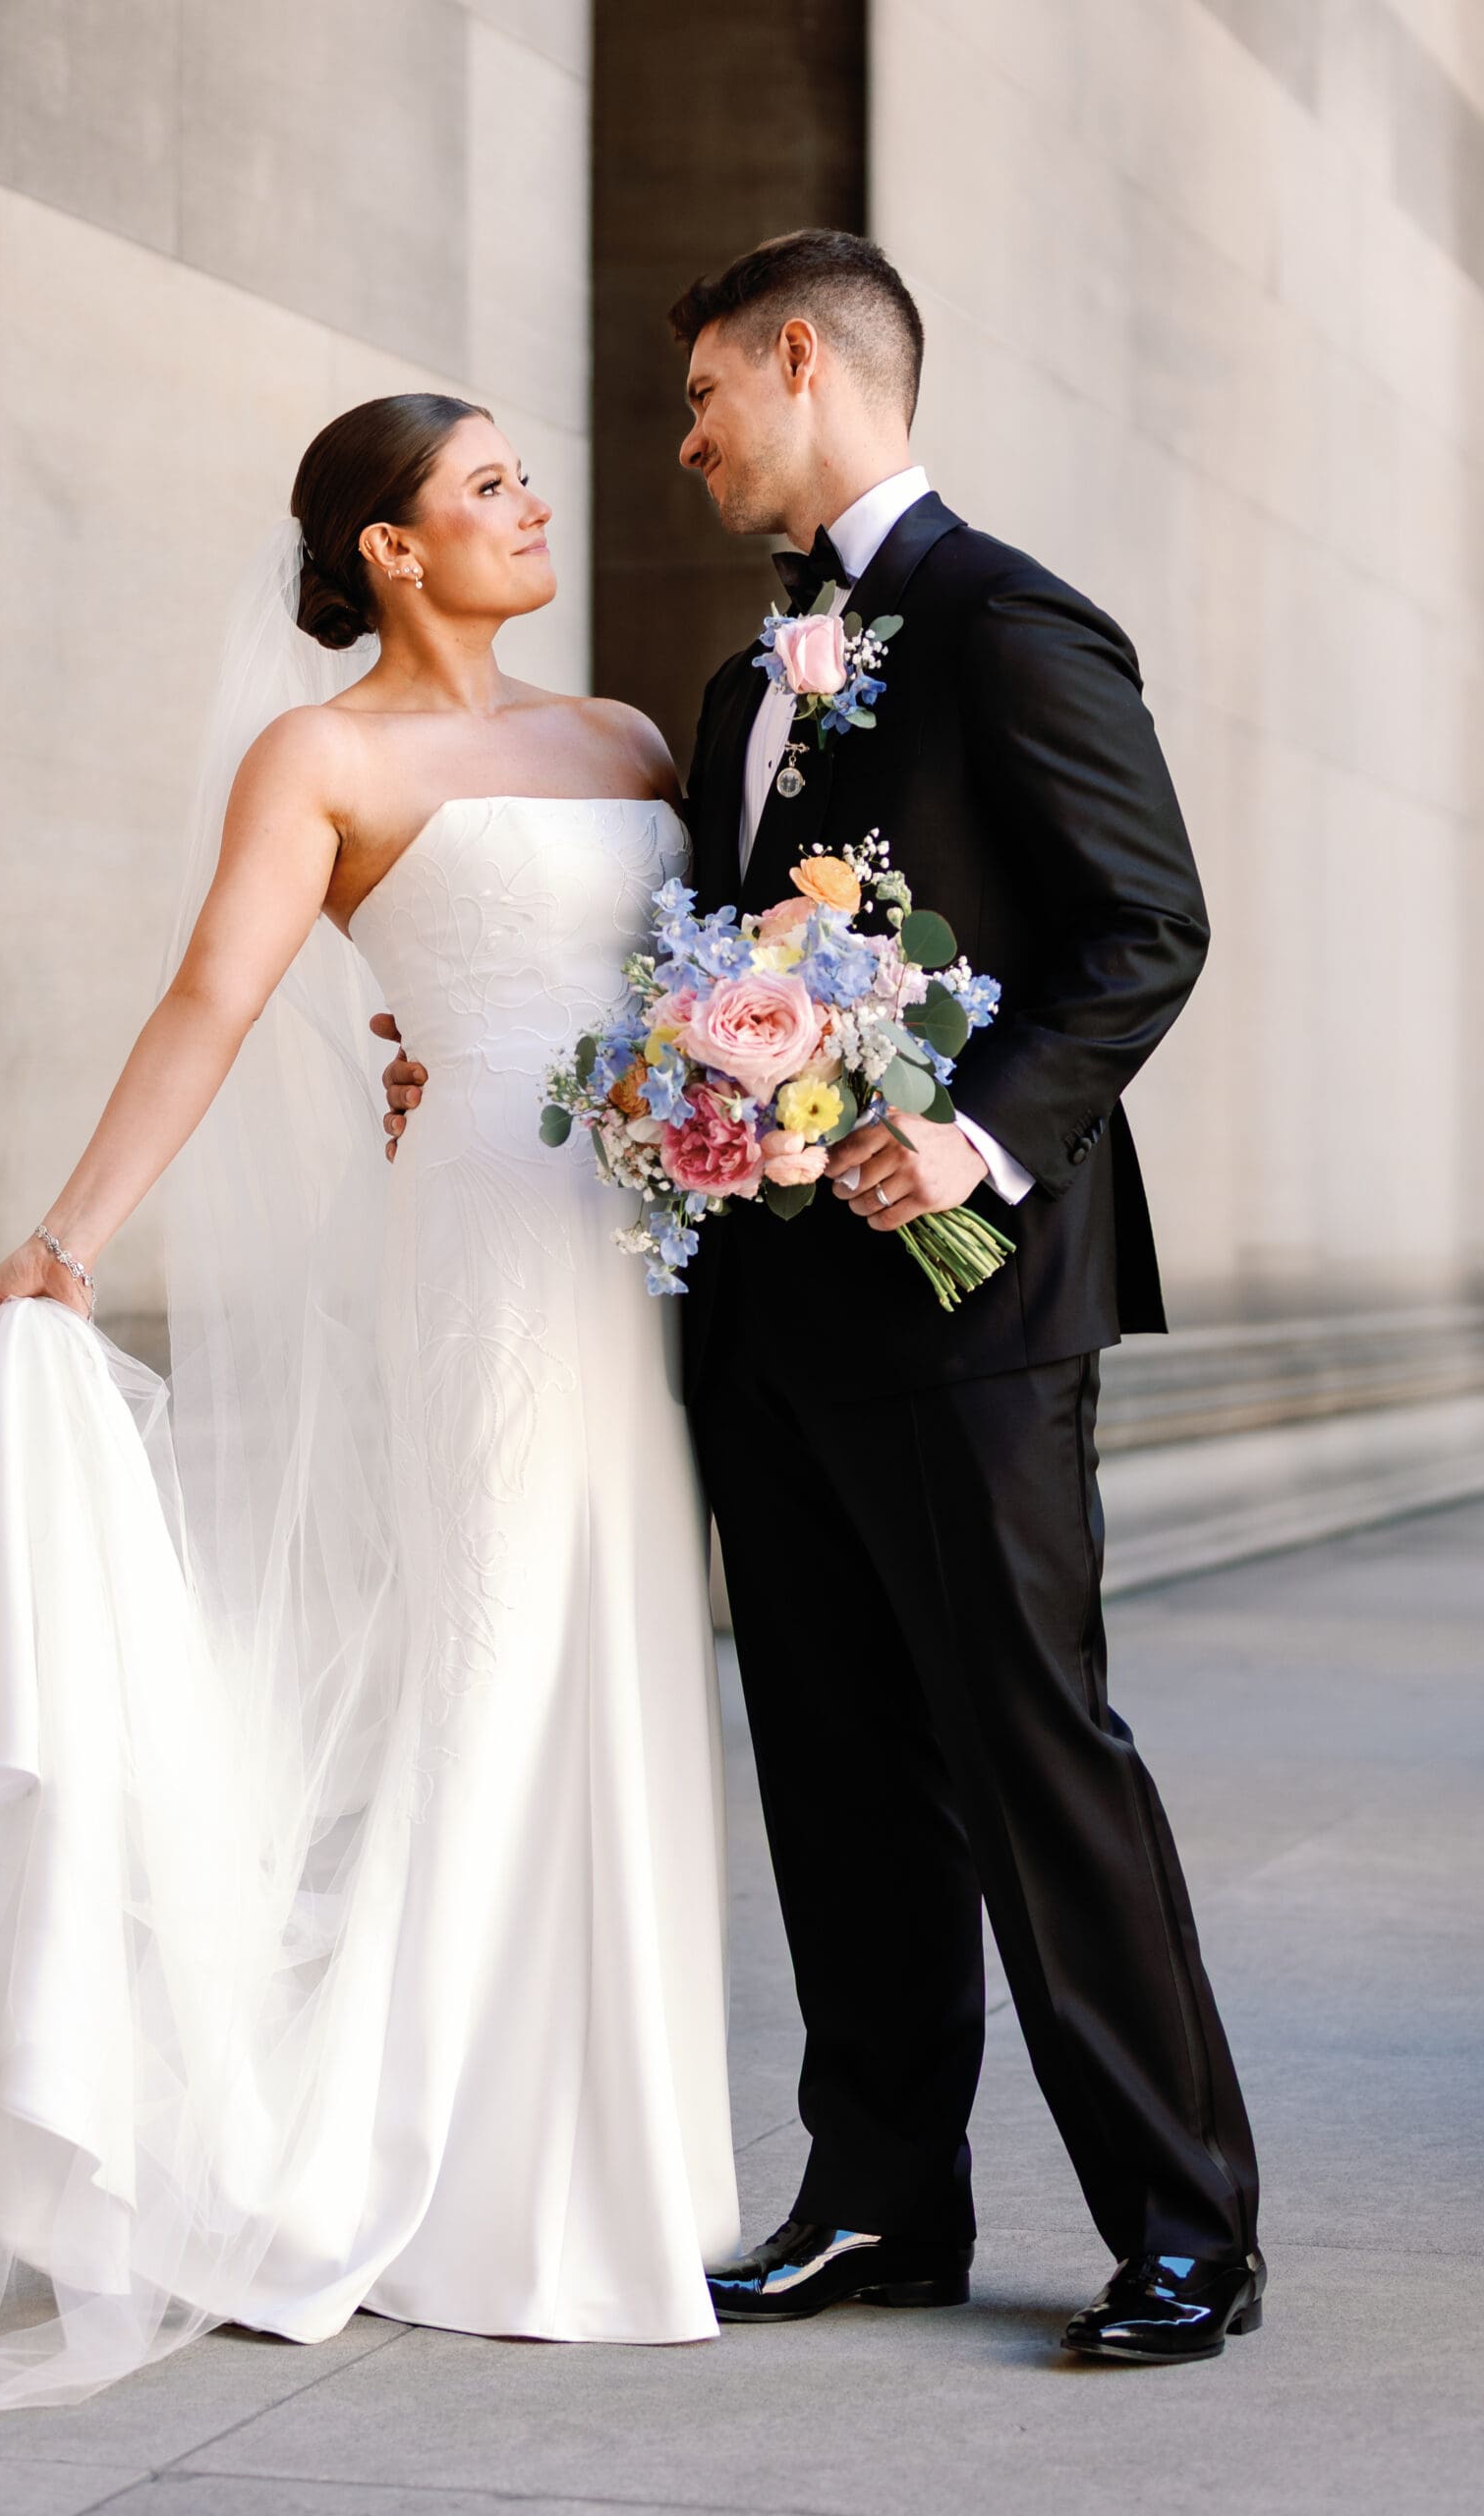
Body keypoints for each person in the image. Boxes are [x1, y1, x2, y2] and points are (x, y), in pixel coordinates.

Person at [0, 392, 742, 2414]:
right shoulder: (325, 754)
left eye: (524, 479)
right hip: (473, 1244)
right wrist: (68, 1232)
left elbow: (686, 983)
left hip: (630, 1247)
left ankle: (585, 2155)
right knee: (490, 1651)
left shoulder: (628, 738)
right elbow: (213, 988)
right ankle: (407, 2157)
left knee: (609, 1655)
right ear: (385, 545)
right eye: (486, 487)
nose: (531, 505)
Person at [382, 231, 1265, 2367]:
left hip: (970, 1305)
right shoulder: (742, 671)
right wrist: (469, 1043)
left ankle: (1183, 2221)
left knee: (1032, 1748)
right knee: (835, 1766)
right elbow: (686, 964)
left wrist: (965, 1137)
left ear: (804, 360)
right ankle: (880, 2201)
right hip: (763, 1320)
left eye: (699, 399)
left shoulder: (1006, 620)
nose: (678, 443)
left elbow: (1142, 927)